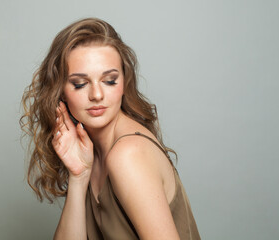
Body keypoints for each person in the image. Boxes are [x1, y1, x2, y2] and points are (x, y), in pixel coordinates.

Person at [20, 18, 200, 239]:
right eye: (80, 83)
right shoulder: (91, 152)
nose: (97, 95)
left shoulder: (128, 154)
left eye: (110, 81)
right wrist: (79, 176)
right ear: (60, 92)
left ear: (124, 83)